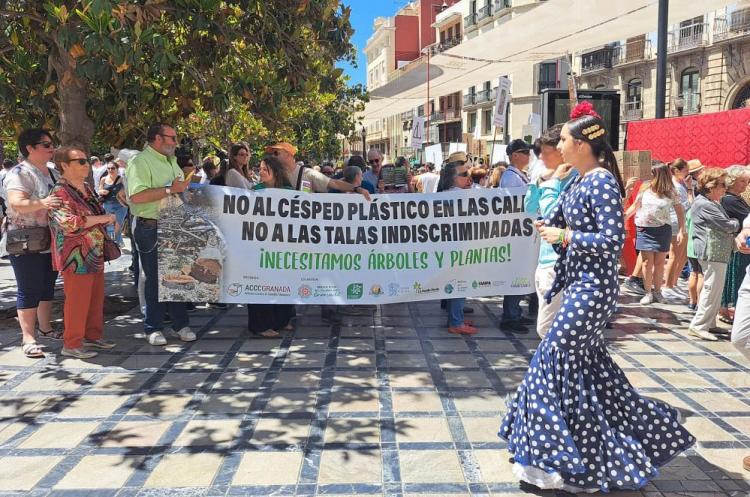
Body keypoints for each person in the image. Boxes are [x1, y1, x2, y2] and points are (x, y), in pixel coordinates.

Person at [500, 106, 694, 492]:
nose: (559, 145)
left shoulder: (602, 181)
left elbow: (611, 241)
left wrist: (567, 238)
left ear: (584, 144)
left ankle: (567, 455)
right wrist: (551, 187)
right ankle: (584, 451)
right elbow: (549, 218)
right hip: (576, 286)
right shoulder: (578, 179)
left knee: (552, 361)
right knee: (586, 372)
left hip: (593, 292)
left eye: (566, 140)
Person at [125, 123, 194, 346]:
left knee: (178, 277)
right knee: (155, 279)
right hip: (151, 226)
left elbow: (176, 189)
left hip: (174, 226)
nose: (176, 142)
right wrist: (170, 190)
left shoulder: (171, 161)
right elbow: (136, 197)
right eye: (172, 138)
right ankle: (152, 327)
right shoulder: (140, 161)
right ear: (157, 138)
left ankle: (180, 324)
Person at [49, 147, 117, 359]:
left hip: (94, 250)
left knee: (95, 297)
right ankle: (71, 343)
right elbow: (68, 224)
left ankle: (92, 336)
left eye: (86, 160)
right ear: (64, 165)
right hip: (75, 255)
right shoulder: (59, 192)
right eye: (79, 161)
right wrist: (103, 219)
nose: (86, 164)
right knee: (77, 300)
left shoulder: (85, 186)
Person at [5, 129, 64, 358]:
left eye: (52, 143)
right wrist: (45, 202)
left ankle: (46, 327)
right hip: (26, 241)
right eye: (46, 144)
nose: (52, 148)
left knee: (47, 286)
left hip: (50, 240)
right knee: (29, 288)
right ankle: (27, 338)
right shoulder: (19, 173)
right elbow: (17, 202)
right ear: (30, 148)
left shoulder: (52, 172)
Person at [523, 124, 577, 338]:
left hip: (561, 263)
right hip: (545, 259)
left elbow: (550, 211)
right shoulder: (546, 178)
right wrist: (538, 182)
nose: (542, 158)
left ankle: (555, 368)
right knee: (550, 328)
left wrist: (552, 182)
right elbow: (529, 208)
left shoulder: (573, 179)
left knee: (547, 329)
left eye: (546, 152)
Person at [687, 168, 739, 341]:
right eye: (722, 185)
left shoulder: (709, 202)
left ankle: (708, 323)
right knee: (711, 289)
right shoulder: (705, 204)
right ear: (710, 186)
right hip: (712, 251)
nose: (725, 188)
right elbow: (727, 225)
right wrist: (736, 222)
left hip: (716, 251)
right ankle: (699, 325)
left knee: (715, 289)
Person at [247, 155, 296, 337]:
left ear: (275, 172)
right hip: (260, 246)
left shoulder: (289, 191)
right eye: (259, 168)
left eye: (264, 169)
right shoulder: (255, 191)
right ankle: (261, 325)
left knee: (283, 283)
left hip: (282, 246)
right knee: (261, 284)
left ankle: (281, 321)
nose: (260, 172)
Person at [624, 162, 685, 305]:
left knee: (659, 263)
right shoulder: (644, 189)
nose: (648, 176)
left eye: (651, 174)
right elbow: (635, 206)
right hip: (645, 229)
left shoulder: (671, 191)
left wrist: (682, 229)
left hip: (663, 229)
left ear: (658, 175)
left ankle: (658, 292)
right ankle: (648, 292)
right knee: (646, 263)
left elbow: (679, 212)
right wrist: (624, 217)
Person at [437, 151, 476, 335]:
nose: (468, 176)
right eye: (464, 174)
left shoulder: (448, 193)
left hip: (453, 247)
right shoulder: (460, 195)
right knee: (459, 283)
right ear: (454, 178)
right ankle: (456, 321)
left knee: (457, 283)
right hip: (458, 248)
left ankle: (456, 316)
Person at [499, 139, 535, 333]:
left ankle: (514, 312)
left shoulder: (519, 175)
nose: (529, 155)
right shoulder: (511, 177)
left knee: (521, 274)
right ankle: (509, 316)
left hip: (522, 232)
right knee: (516, 275)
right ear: (515, 156)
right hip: (516, 232)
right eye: (525, 152)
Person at [266, 142, 369, 196]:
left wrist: (356, 188)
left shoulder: (308, 174)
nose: (273, 156)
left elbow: (335, 183)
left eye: (276, 153)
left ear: (288, 155)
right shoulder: (272, 175)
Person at [719, 166, 750, 324]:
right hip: (737, 245)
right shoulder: (729, 199)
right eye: (742, 181)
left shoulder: (737, 198)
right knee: (735, 278)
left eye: (747, 181)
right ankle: (725, 309)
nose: (745, 184)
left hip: (740, 244)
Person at [662, 159, 692, 300]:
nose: (688, 173)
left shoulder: (679, 185)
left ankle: (672, 283)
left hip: (681, 221)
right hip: (677, 222)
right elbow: (687, 205)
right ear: (676, 171)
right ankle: (668, 285)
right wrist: (690, 190)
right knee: (675, 255)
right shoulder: (676, 186)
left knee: (682, 255)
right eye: (685, 170)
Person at [97, 160, 128, 245]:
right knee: (110, 224)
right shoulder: (103, 179)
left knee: (118, 224)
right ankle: (116, 241)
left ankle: (116, 242)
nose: (110, 170)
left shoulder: (122, 179)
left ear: (117, 169)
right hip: (107, 205)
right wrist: (102, 191)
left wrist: (122, 193)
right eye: (108, 168)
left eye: (112, 168)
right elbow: (99, 190)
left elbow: (128, 191)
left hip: (121, 205)